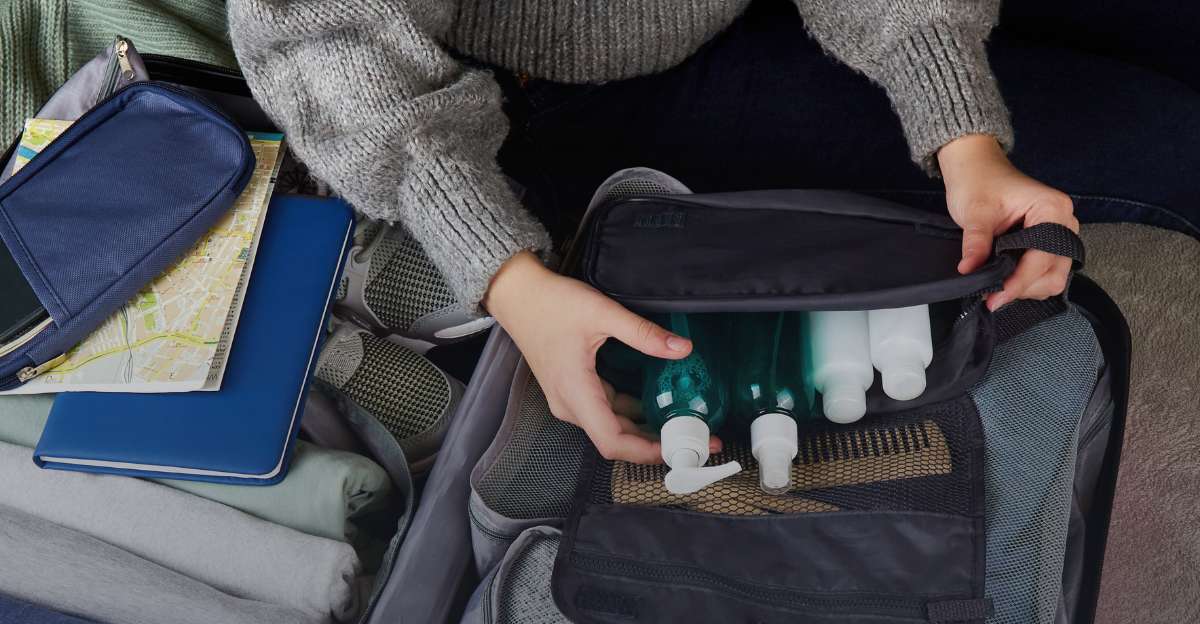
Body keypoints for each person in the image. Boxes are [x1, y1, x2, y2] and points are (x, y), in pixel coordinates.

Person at [228, 0, 1079, 465]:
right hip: (529, 91)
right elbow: (322, 36)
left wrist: (962, 129)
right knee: (1157, 149)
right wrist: (508, 278)